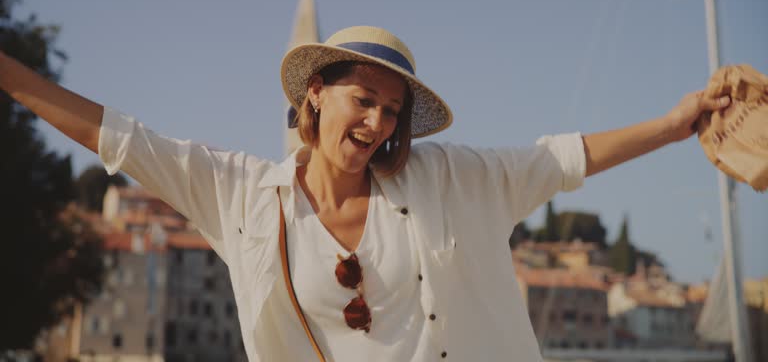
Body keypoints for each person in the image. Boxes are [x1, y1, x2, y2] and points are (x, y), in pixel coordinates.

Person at [0, 25, 731, 361]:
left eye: (391, 110)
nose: (379, 121)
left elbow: (559, 159)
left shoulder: (449, 179)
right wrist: (15, 77)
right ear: (316, 95)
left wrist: (671, 127)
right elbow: (123, 139)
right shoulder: (245, 195)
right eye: (364, 99)